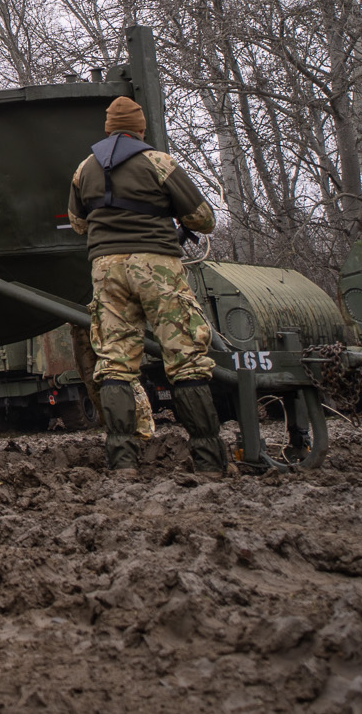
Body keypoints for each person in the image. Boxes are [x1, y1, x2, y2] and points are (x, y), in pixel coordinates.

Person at [68, 96, 223, 478]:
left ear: (108, 129)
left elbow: (78, 223)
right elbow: (203, 219)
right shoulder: (159, 162)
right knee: (186, 359)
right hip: (157, 268)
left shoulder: (84, 169)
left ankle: (123, 462)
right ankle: (209, 461)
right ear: (141, 129)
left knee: (115, 363)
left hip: (106, 271)